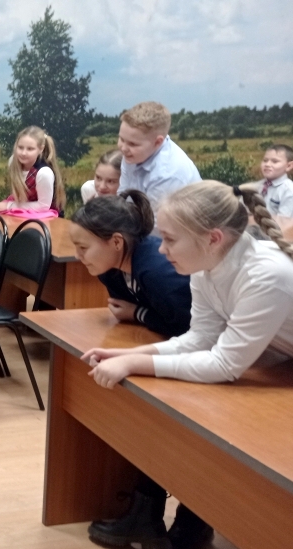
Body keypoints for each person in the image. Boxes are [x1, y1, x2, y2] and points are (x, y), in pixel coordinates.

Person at [81, 181, 293, 549]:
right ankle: (188, 522)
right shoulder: (206, 266)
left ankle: (199, 523)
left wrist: (136, 363)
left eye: (169, 239)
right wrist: (134, 356)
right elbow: (199, 339)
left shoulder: (267, 273)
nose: (161, 249)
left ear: (213, 238)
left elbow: (225, 364)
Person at [69, 190, 191, 337]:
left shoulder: (158, 273)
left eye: (83, 247)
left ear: (116, 242)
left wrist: (137, 313)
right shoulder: (108, 269)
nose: (77, 255)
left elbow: (187, 328)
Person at [117, 101, 200, 224]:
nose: (123, 148)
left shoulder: (167, 174)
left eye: (132, 144)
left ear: (158, 142)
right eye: (121, 139)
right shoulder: (133, 154)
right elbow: (123, 198)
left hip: (180, 229)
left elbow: (156, 226)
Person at [0, 125, 65, 215]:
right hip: (21, 208)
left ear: (41, 149)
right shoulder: (12, 162)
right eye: (20, 147)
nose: (23, 153)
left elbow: (43, 206)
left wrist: (9, 206)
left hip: (46, 216)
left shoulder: (44, 173)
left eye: (30, 149)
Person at [246, 144, 293, 219]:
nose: (267, 164)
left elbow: (283, 221)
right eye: (265, 160)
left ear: (289, 166)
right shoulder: (256, 186)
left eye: (275, 161)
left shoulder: (289, 190)